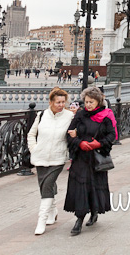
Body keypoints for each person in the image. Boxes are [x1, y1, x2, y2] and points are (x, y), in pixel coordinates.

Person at [64, 87, 117, 235]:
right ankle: (79, 219)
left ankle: (94, 211)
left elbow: (112, 135)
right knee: (80, 187)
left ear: (98, 102)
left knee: (94, 186)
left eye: (91, 102)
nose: (88, 105)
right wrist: (79, 143)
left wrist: (99, 144)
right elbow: (69, 134)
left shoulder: (106, 116)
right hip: (81, 157)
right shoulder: (80, 115)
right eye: (86, 102)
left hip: (96, 158)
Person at [28, 87, 74, 235]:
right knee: (44, 186)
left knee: (47, 184)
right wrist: (34, 149)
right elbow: (31, 134)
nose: (61, 105)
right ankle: (53, 211)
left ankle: (41, 220)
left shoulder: (69, 116)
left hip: (58, 157)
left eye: (63, 102)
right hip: (40, 156)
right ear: (51, 102)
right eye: (58, 102)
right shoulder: (42, 115)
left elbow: (75, 133)